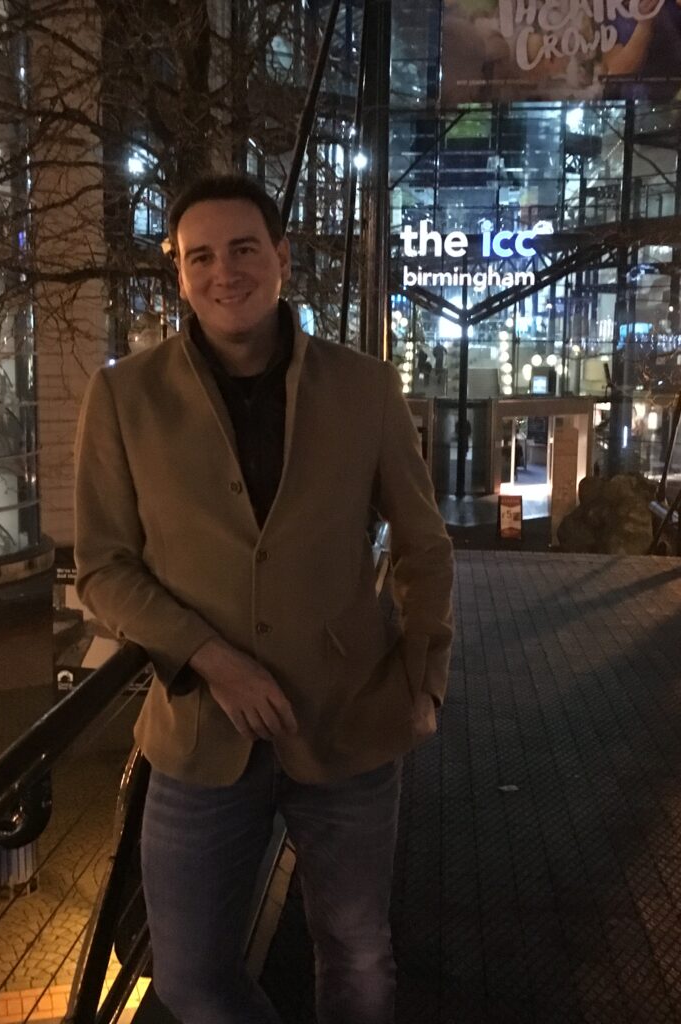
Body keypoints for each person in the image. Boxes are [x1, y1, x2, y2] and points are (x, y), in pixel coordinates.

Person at [74, 174, 454, 1024]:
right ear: (180, 274)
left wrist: (426, 678)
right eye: (200, 256)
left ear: (282, 257)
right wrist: (213, 660)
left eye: (244, 248)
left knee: (357, 953)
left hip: (350, 720)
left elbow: (424, 544)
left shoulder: (364, 388)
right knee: (186, 977)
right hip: (198, 732)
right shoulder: (125, 397)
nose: (224, 272)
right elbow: (102, 567)